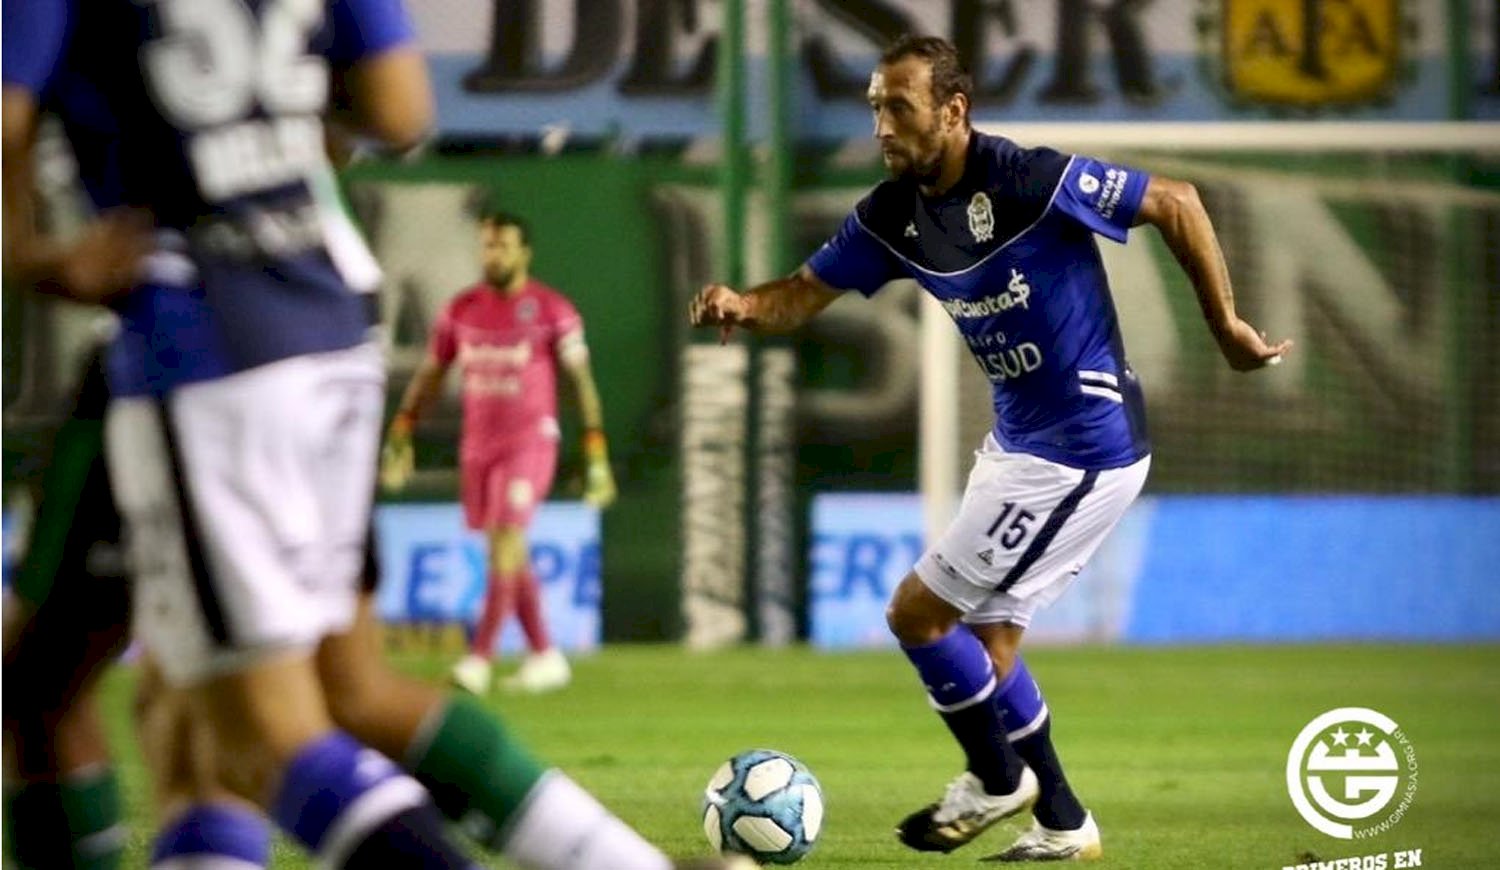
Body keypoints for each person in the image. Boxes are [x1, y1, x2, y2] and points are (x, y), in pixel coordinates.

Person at [3, 4, 749, 868]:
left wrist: (34, 253)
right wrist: (266, 134)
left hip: (205, 343)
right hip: (328, 315)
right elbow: (397, 109)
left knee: (253, 730)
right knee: (312, 691)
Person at [689, 35, 1291, 863]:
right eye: (875, 108)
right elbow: (800, 294)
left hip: (1083, 446)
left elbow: (1177, 201)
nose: (883, 126)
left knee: (916, 613)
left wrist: (1225, 325)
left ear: (954, 109)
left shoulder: (1025, 179)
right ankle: (1065, 822)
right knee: (991, 648)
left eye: (899, 106)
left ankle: (997, 780)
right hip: (1021, 446)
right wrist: (743, 305)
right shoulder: (892, 215)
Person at [382, 209, 617, 695]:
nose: (495, 254)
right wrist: (402, 428)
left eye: (504, 245)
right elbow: (430, 376)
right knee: (504, 549)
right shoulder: (461, 310)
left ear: (524, 252)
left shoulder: (552, 309)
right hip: (479, 449)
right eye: (488, 245)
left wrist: (595, 451)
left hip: (531, 443)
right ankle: (546, 655)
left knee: (507, 536)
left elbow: (581, 382)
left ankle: (479, 658)